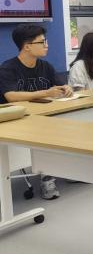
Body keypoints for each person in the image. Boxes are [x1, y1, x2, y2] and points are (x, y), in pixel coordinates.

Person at [0, 24, 73, 200]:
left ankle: (68, 169)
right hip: (17, 123)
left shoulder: (45, 66)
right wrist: (45, 93)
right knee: (48, 135)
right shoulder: (7, 68)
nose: (47, 45)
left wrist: (66, 88)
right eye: (42, 42)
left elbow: (59, 85)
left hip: (43, 117)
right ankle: (47, 178)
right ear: (27, 46)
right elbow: (10, 96)